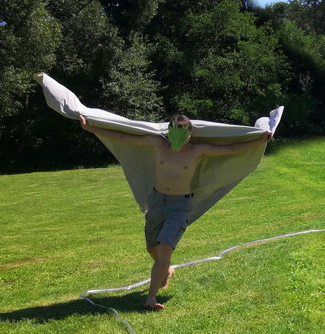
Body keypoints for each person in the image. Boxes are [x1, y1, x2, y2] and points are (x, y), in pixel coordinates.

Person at [79, 113, 271, 311]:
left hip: (179, 205)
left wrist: (260, 140)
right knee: (152, 248)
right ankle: (166, 269)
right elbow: (124, 137)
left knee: (165, 248)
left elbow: (231, 149)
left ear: (190, 134)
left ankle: (151, 298)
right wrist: (91, 128)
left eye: (182, 134)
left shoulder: (197, 150)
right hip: (157, 201)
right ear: (168, 132)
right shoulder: (158, 143)